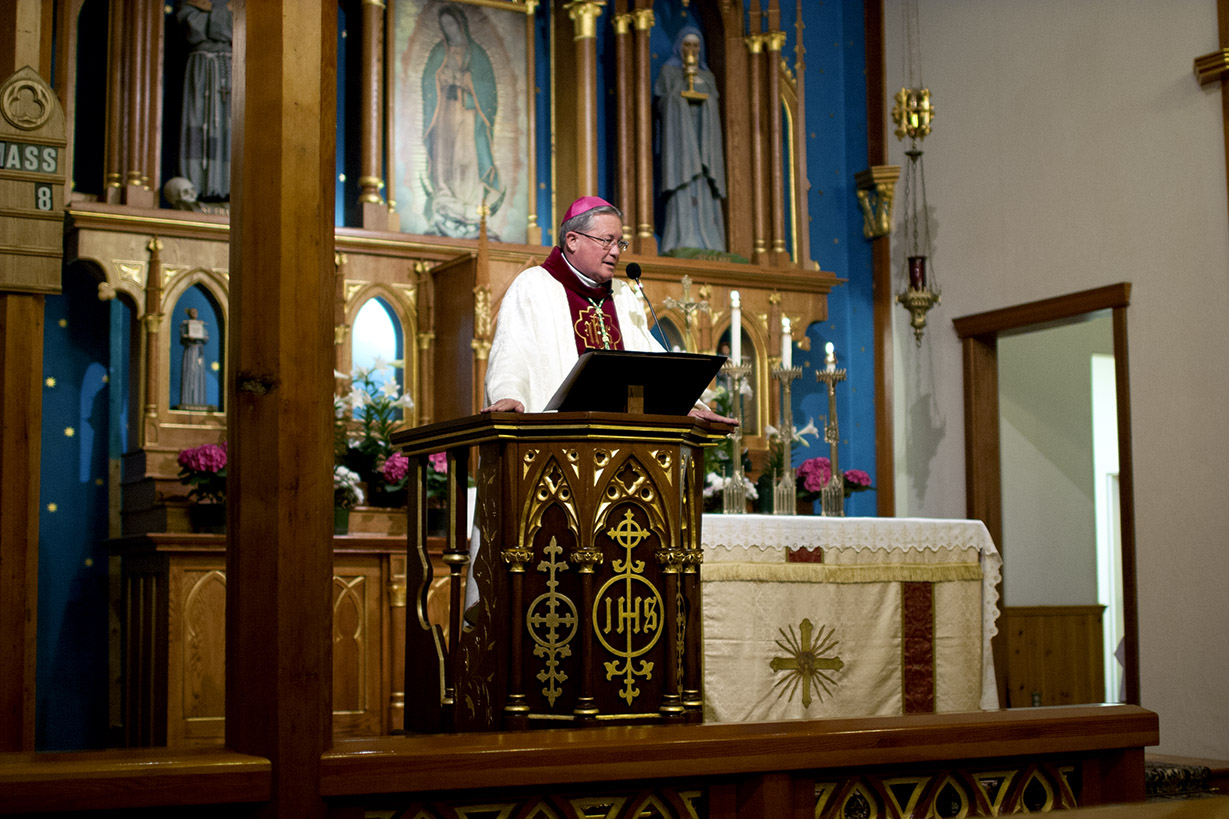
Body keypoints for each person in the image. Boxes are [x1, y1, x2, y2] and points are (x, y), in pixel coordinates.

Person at [482, 195, 734, 426]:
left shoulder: (622, 295)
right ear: (572, 241)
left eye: (619, 243)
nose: (615, 251)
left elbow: (650, 362)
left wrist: (684, 406)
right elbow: (511, 351)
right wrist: (508, 395)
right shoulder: (534, 285)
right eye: (606, 241)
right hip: (558, 439)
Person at [421, 4, 505, 239]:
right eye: (444, 25)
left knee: (467, 157)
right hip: (445, 114)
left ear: (460, 24)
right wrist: (440, 79)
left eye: (451, 24)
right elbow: (429, 80)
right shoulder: (440, 51)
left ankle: (470, 202)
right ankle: (445, 197)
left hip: (469, 115)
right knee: (445, 155)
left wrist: (467, 81)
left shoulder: (476, 54)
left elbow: (488, 91)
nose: (448, 29)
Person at [655, 26, 727, 254]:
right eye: (687, 45)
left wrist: (703, 94)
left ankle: (709, 241)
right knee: (684, 187)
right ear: (679, 46)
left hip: (704, 143)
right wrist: (679, 94)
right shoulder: (669, 72)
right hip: (680, 146)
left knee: (704, 189)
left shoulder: (707, 77)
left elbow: (714, 104)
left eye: (696, 46)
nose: (692, 50)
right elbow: (662, 103)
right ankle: (681, 238)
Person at [176, 0, 232, 201]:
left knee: (232, 129)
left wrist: (211, 11)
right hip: (202, 69)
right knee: (198, 122)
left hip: (232, 67)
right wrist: (225, 11)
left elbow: (243, 27)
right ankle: (196, 189)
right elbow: (193, 25)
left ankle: (227, 190)